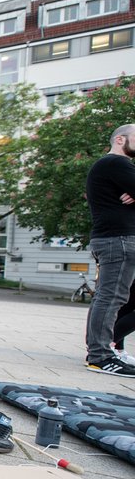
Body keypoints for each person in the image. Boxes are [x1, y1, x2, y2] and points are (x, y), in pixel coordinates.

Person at [85, 123, 135, 375]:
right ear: (120, 139)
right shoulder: (116, 163)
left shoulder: (114, 167)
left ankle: (108, 349)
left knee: (114, 297)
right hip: (119, 240)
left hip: (116, 239)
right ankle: (100, 356)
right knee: (111, 297)